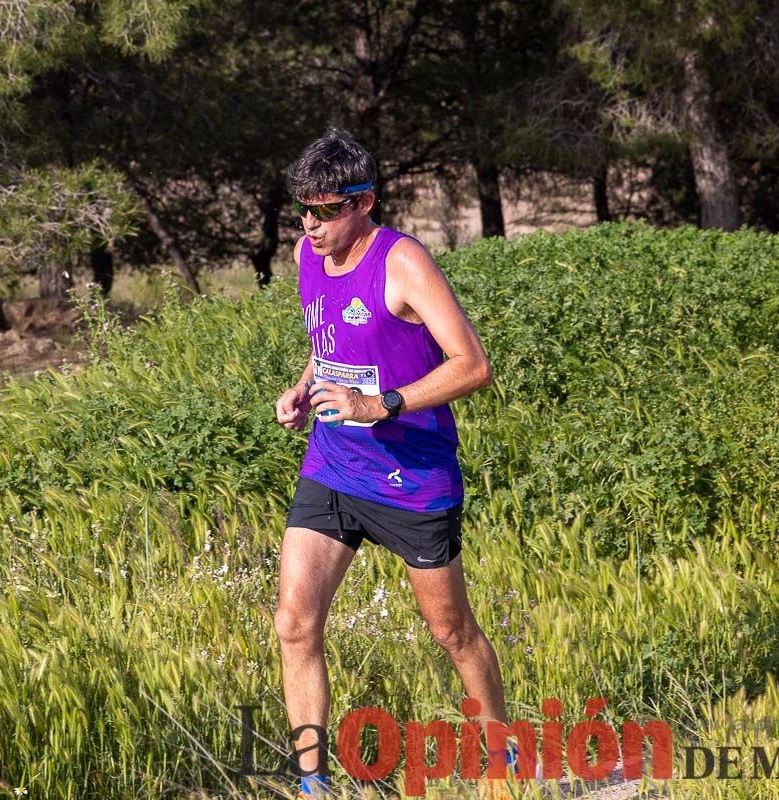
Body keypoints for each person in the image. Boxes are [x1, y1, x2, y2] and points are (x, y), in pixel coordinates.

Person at [273, 129, 512, 798]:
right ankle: (312, 784)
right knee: (295, 622)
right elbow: (329, 341)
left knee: (451, 632)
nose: (312, 226)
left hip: (412, 478)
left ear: (365, 203)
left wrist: (383, 404)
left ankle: (502, 756)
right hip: (332, 466)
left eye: (326, 211)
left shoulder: (403, 264)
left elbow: (474, 365)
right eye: (303, 210)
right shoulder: (307, 255)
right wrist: (304, 387)